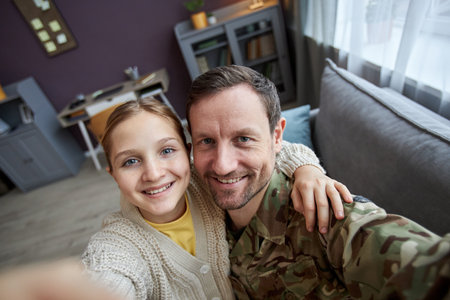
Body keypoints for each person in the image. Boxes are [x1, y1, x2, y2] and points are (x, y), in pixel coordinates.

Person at [186, 65, 450, 299]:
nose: (222, 164)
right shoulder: (196, 205)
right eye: (206, 141)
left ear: (277, 137)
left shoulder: (326, 215)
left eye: (243, 139)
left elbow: (423, 268)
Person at [81, 98, 351, 299]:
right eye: (130, 161)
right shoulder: (118, 243)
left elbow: (267, 152)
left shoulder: (207, 179)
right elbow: (107, 278)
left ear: (188, 154)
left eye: (166, 151)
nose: (153, 173)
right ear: (113, 175)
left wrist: (307, 170)